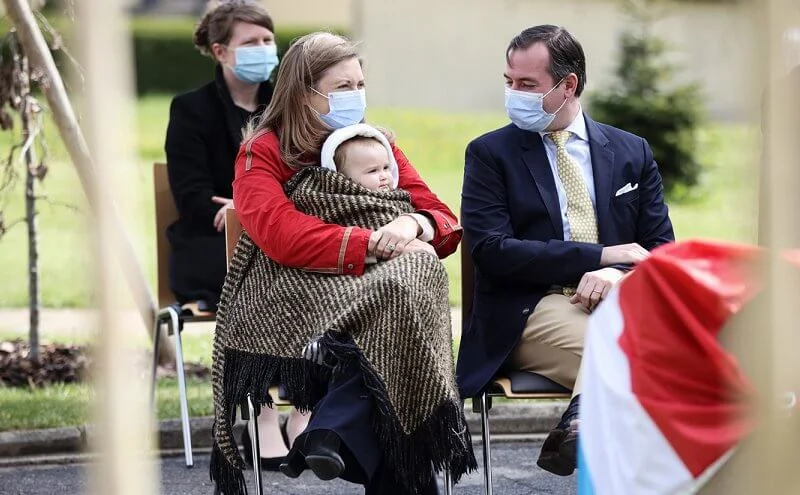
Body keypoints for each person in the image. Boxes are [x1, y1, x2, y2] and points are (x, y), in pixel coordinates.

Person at [208, 32, 474, 495]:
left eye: (359, 85)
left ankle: (334, 430)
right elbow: (280, 234)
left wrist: (411, 226)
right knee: (402, 296)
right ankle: (345, 435)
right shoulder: (262, 151)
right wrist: (375, 241)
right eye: (342, 87)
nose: (356, 96)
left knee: (411, 281)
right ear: (302, 91)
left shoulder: (371, 142)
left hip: (371, 306)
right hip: (293, 299)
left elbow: (443, 219)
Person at [456, 25, 675, 477]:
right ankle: (592, 437)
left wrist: (617, 275)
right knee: (629, 355)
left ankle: (581, 427)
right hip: (530, 306)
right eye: (509, 81)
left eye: (527, 85)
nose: (513, 93)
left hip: (619, 300)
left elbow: (659, 250)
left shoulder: (631, 151)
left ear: (568, 85)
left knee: (657, 350)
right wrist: (599, 257)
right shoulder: (489, 154)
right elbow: (493, 251)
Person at [163, 0, 307, 471]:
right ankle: (264, 410)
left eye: (268, 40)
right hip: (209, 249)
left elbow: (306, 179)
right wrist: (249, 209)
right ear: (222, 51)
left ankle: (303, 407)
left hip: (279, 239)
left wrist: (261, 210)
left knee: (306, 271)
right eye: (251, 43)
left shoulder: (286, 108)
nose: (265, 50)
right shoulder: (190, 110)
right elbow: (190, 196)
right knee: (256, 275)